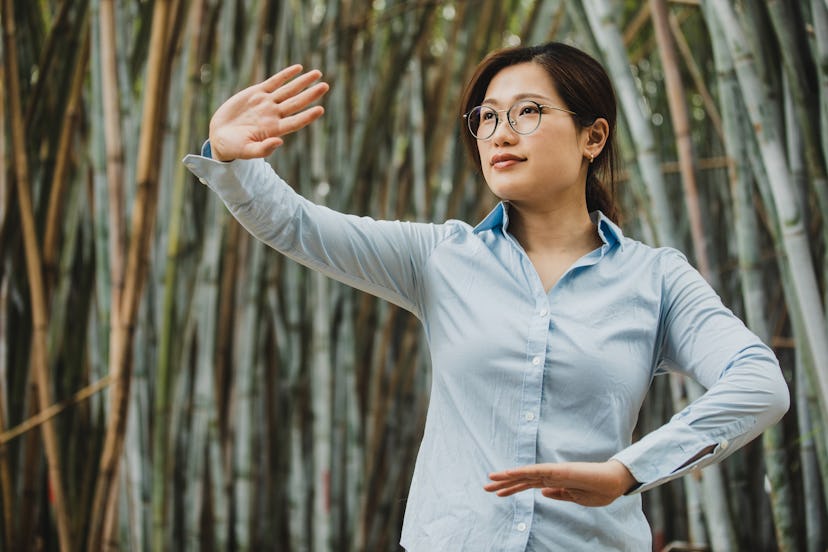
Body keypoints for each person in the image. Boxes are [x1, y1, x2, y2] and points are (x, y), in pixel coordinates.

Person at [183, 42, 789, 551]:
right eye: (488, 117)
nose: (501, 133)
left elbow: (759, 381)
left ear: (593, 137)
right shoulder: (441, 259)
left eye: (527, 112)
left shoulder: (655, 279)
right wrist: (235, 161)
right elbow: (298, 226)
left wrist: (627, 472)